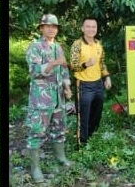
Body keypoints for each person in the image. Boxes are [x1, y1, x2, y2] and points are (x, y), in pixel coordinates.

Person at [24, 14, 72, 181]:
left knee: (59, 128)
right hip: (41, 99)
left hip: (58, 97)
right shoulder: (35, 47)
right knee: (37, 132)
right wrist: (53, 63)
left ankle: (61, 157)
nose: (51, 29)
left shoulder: (58, 47)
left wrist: (67, 87)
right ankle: (36, 168)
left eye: (54, 26)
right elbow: (35, 71)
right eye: (48, 26)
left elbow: (64, 68)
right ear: (42, 28)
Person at [69, 18, 112, 143]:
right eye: (88, 26)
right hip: (83, 84)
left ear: (96, 29)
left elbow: (101, 63)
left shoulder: (98, 44)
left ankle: (92, 137)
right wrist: (86, 64)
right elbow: (73, 65)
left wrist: (107, 77)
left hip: (98, 84)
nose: (91, 29)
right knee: (83, 115)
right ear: (82, 28)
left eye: (94, 27)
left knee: (96, 112)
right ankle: (82, 141)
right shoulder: (77, 44)